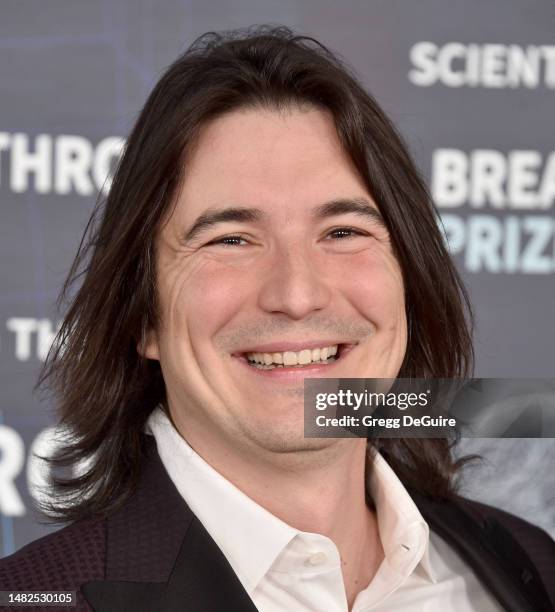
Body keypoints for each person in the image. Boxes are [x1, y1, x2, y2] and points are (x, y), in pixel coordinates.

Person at [0, 26, 553, 612]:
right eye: (231, 239)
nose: (296, 294)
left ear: (409, 281)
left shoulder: (532, 568)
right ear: (143, 318)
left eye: (343, 232)